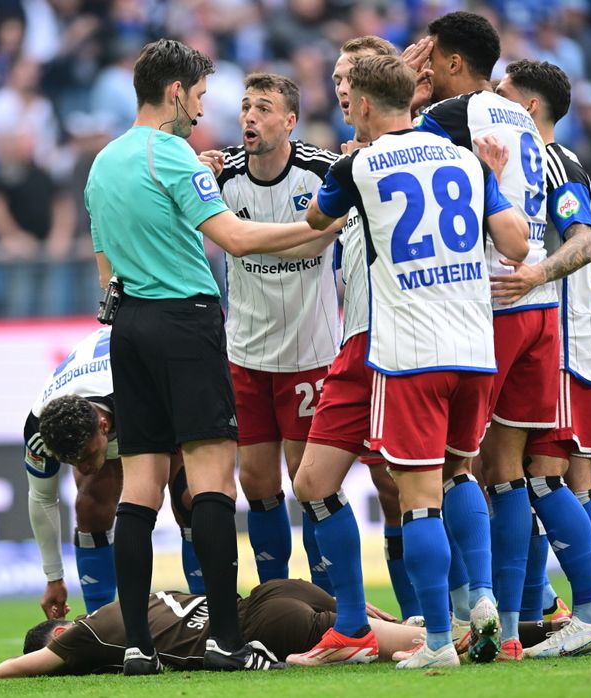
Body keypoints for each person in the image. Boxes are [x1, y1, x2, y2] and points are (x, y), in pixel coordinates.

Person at [83, 38, 340, 676]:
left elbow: (104, 260)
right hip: (186, 322)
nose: (202, 111)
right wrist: (320, 225)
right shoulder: (171, 155)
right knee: (213, 482)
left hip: (129, 323)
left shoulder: (103, 163)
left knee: (138, 491)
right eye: (198, 97)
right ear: (175, 93)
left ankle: (137, 647)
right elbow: (235, 236)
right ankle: (226, 639)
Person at [298, 54, 528, 670]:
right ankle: (479, 600)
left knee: (418, 496)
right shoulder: (466, 161)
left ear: (365, 105)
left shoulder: (359, 164)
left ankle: (435, 644)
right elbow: (515, 246)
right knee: (458, 474)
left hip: (409, 352)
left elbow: (318, 219)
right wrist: (494, 183)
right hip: (476, 349)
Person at [407, 11, 557, 662]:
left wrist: (406, 97)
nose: (425, 66)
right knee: (508, 473)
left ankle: (475, 606)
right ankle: (517, 629)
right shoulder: (521, 117)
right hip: (535, 297)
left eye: (430, 57)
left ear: (450, 62)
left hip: (484, 302)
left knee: (451, 467)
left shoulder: (450, 115)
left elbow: (393, 161)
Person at [284, 36, 432, 669]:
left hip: (396, 340)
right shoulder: (351, 161)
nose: (341, 88)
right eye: (338, 78)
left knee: (413, 488)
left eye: (351, 79)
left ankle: (451, 620)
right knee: (314, 483)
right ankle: (354, 626)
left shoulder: (403, 152)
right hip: (357, 340)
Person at [491, 59, 591, 658]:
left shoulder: (553, 163)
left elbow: (585, 242)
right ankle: (561, 610)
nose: (493, 99)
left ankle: (589, 612)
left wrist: (534, 273)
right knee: (552, 480)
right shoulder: (530, 163)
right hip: (558, 337)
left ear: (530, 108)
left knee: (553, 479)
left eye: (504, 94)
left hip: (563, 340)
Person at [200, 72, 341, 591]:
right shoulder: (221, 174)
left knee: (309, 482)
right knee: (256, 482)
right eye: (244, 107)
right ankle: (275, 594)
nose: (249, 117)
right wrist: (192, 174)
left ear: (289, 120)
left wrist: (241, 240)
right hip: (247, 354)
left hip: (311, 353)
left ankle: (324, 597)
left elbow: (320, 243)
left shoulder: (322, 171)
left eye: (262, 107)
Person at [24, 327, 204, 621]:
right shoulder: (39, 429)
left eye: (85, 456)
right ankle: (100, 622)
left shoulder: (135, 393)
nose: (81, 467)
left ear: (103, 427)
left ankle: (205, 608)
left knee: (188, 498)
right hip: (101, 390)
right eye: (70, 460)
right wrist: (54, 577)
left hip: (158, 385)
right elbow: (42, 499)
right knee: (89, 505)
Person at [0, 579, 425, 678]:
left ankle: (444, 642)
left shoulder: (85, 634)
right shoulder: (132, 602)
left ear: (60, 634)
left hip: (264, 626)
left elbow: (3, 671)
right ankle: (433, 628)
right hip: (271, 593)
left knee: (409, 643)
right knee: (386, 626)